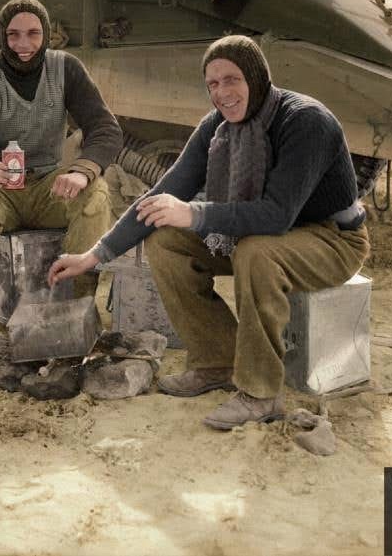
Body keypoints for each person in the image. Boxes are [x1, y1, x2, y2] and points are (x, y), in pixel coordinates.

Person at [48, 35, 370, 429]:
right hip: (269, 233)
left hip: (332, 238)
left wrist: (195, 214)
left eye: (232, 79)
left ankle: (260, 392)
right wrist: (93, 255)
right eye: (213, 84)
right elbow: (160, 195)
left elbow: (276, 216)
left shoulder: (305, 121)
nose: (222, 93)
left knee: (256, 252)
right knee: (165, 238)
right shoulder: (218, 125)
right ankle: (216, 360)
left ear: (256, 77)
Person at [0, 0, 123, 344]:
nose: (24, 45)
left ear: (46, 34)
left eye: (33, 33)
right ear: (2, 36)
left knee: (96, 195)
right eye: (13, 35)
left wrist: (80, 172)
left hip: (49, 185)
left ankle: (80, 299)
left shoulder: (66, 68)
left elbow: (105, 129)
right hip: (4, 193)